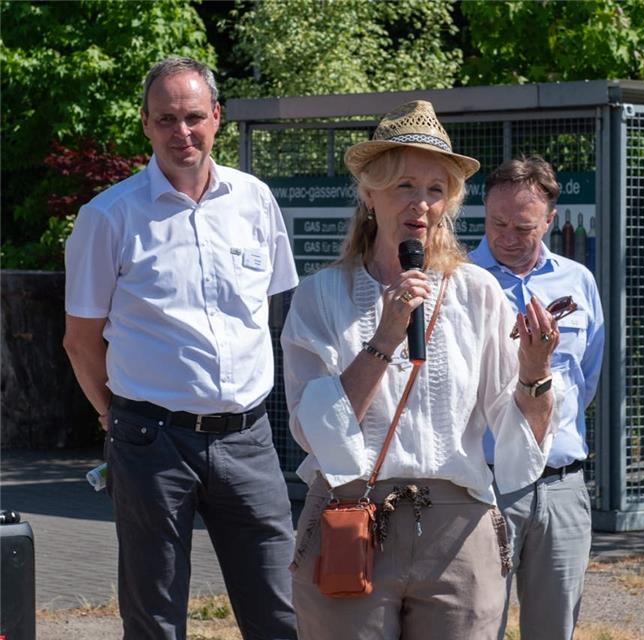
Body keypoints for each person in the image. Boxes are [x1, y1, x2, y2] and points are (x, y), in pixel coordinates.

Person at [281, 100, 564, 639]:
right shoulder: (321, 296)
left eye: (436, 190)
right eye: (405, 185)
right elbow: (313, 429)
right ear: (369, 193)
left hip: (457, 529)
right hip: (351, 515)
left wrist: (535, 371)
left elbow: (514, 439)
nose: (421, 204)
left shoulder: (476, 291)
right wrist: (386, 336)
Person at [63, 56, 298, 640]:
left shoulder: (255, 201)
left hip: (249, 439)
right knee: (155, 618)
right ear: (144, 123)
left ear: (216, 117)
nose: (182, 132)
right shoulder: (108, 217)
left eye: (194, 116)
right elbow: (80, 340)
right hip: (151, 443)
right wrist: (112, 415)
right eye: (166, 118)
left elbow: (274, 310)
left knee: (282, 610)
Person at [468, 156, 604, 640]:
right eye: (495, 222)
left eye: (523, 227)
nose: (506, 236)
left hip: (563, 485)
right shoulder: (462, 281)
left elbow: (585, 380)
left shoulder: (578, 281)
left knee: (555, 628)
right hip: (483, 488)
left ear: (549, 220)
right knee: (478, 625)